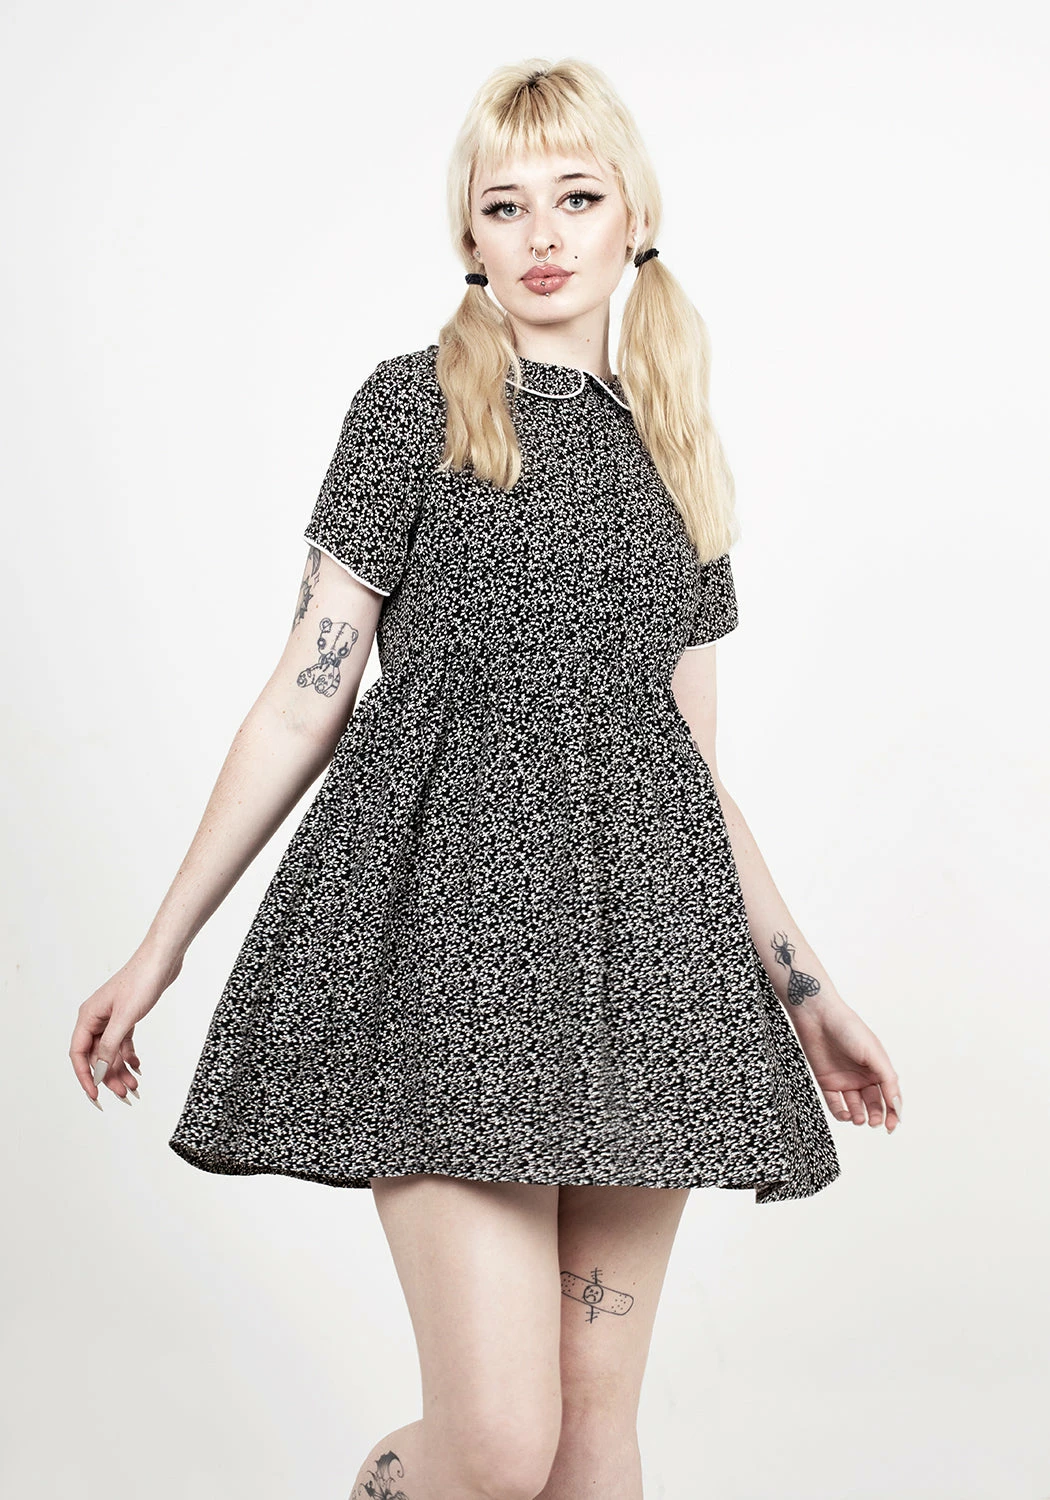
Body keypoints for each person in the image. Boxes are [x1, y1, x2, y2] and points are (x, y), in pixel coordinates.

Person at [69, 56, 902, 1500]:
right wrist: (160, 949)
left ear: (634, 214)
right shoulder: (416, 408)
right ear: (468, 234)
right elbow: (306, 696)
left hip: (649, 972)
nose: (542, 234)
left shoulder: (676, 453)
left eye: (575, 197)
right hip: (450, 954)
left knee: (592, 1447)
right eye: (504, 205)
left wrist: (806, 991)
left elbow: (692, 774)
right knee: (500, 1447)